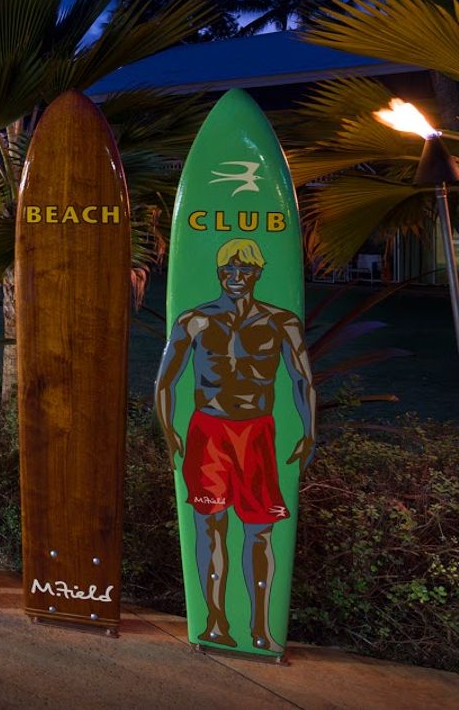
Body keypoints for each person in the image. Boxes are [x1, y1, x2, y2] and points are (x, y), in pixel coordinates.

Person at [154, 237, 315, 652]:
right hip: (208, 430)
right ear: (219, 274)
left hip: (257, 432)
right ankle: (214, 623)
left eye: (245, 270)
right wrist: (167, 427)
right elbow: (166, 379)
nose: (236, 277)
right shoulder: (195, 321)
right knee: (209, 528)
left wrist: (309, 430)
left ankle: (260, 627)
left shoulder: (282, 322)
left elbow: (302, 379)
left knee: (259, 532)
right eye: (229, 270)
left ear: (258, 273)